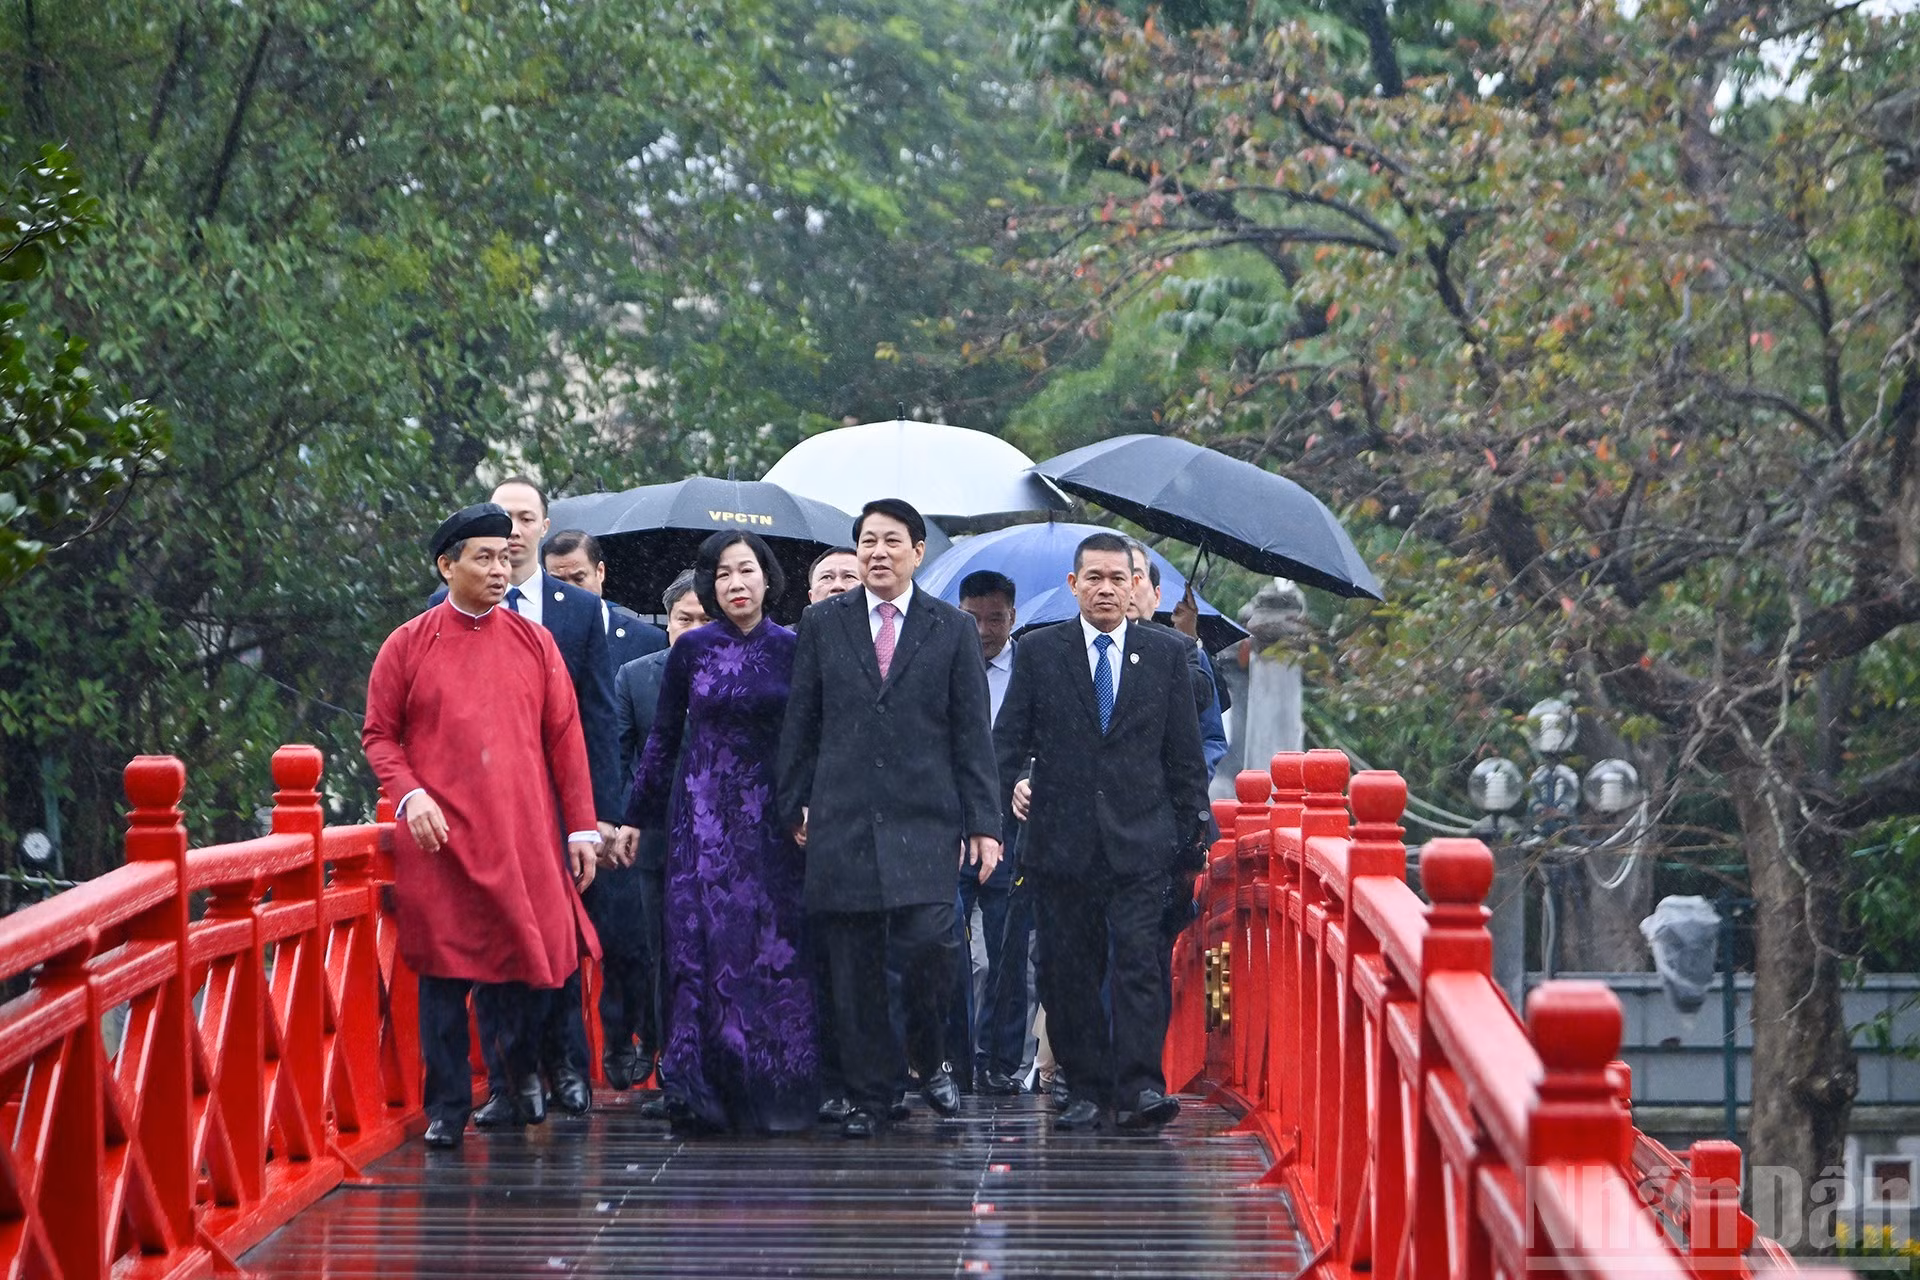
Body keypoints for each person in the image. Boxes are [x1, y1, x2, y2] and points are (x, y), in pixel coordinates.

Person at [362, 503, 602, 1147]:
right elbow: (379, 736)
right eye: (485, 558)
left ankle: (522, 1080)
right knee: (442, 974)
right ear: (448, 565)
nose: (501, 569)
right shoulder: (408, 643)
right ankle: (446, 1109)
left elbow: (566, 739)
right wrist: (410, 795)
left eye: (506, 556)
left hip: (521, 834)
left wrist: (581, 827)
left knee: (523, 963)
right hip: (439, 840)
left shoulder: (534, 641)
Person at [776, 498, 1002, 1139]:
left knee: (932, 947)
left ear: (917, 551)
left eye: (891, 541)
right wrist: (791, 803)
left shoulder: (950, 627)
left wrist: (983, 821)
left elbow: (970, 734)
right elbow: (804, 719)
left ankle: (932, 1061)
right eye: (867, 541)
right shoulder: (823, 622)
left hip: (925, 819)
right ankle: (869, 1094)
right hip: (842, 817)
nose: (878, 552)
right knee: (853, 962)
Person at [993, 531, 1210, 1131]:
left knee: (1140, 961)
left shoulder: (1166, 654)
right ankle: (1085, 1086)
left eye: (1120, 578)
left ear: (1136, 584)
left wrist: (1191, 836)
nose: (1107, 589)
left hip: (1142, 841)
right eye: (1095, 578)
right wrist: (992, 810)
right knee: (1068, 967)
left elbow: (1185, 757)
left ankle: (1141, 1086)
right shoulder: (1039, 652)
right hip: (1060, 840)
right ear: (1074, 584)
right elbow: (1008, 739)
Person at [618, 533, 818, 1133]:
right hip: (701, 819)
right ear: (711, 585)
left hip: (775, 820)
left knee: (773, 948)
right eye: (724, 574)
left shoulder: (795, 648)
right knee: (702, 947)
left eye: (747, 571)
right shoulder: (692, 649)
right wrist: (634, 817)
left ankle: (774, 1088)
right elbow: (662, 740)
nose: (736, 583)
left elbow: (812, 736)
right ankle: (700, 1090)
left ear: (768, 579)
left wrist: (807, 803)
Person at [442, 477, 618, 1121]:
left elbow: (596, 717)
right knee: (493, 943)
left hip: (559, 808)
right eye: (501, 519)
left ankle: (567, 1070)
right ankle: (508, 1082)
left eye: (524, 518)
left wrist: (598, 814)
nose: (512, 532)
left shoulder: (575, 610)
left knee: (561, 940)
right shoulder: (446, 605)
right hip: (483, 810)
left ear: (545, 526)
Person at [599, 570, 707, 1092]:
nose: (693, 630)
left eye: (705, 620)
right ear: (667, 623)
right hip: (659, 833)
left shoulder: (745, 671)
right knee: (664, 953)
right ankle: (671, 1060)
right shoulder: (636, 676)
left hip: (730, 832)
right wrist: (624, 820)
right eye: (684, 619)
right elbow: (621, 757)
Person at [953, 570, 1030, 1096]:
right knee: (942, 944)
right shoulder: (940, 658)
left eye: (995, 618)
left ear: (1013, 618)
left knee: (1007, 946)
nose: (983, 629)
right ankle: (947, 1058)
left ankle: (999, 1060)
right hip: (948, 824)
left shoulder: (1033, 666)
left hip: (1010, 824)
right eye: (973, 618)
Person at [802, 543, 864, 1126]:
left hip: (858, 828)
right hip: (794, 821)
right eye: (828, 577)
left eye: (851, 575)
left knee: (856, 957)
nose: (841, 583)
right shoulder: (787, 647)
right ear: (809, 591)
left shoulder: (881, 646)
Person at [1124, 541, 1229, 780]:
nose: (1129, 590)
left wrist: (1190, 781)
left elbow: (1211, 732)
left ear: (1157, 596)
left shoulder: (1182, 648)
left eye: (1138, 578)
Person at [543, 527, 669, 670]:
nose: (570, 590)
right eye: (558, 581)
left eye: (578, 578)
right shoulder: (532, 637)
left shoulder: (648, 641)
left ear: (600, 572)